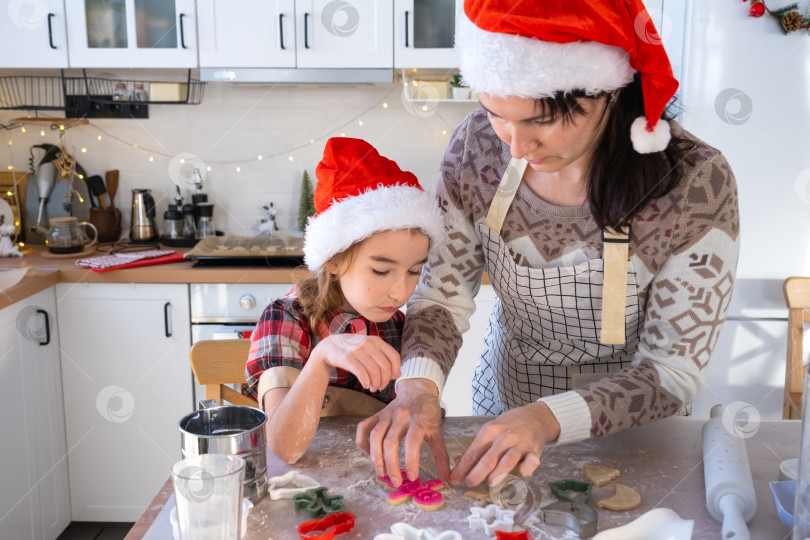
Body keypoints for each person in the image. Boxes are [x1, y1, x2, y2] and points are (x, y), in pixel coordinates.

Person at [357, 0, 740, 489]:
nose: (515, 146)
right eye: (496, 113)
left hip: (639, 439)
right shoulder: (477, 147)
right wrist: (417, 383)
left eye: (540, 120)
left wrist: (543, 419)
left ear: (608, 92)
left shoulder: (694, 183)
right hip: (505, 411)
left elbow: (671, 370)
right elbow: (442, 296)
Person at [242, 137, 444, 464]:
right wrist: (322, 357)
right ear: (333, 260)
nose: (400, 292)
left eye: (413, 271)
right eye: (381, 270)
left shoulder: (399, 327)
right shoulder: (285, 319)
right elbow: (284, 447)